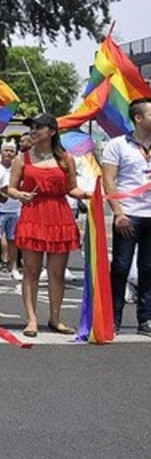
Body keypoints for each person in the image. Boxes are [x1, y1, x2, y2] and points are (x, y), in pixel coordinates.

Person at [8, 113, 87, 337]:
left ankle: (55, 318)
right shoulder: (22, 158)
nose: (33, 130)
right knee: (31, 271)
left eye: (39, 127)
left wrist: (89, 195)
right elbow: (11, 188)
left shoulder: (65, 158)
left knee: (57, 273)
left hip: (59, 215)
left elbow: (72, 188)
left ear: (52, 132)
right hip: (33, 214)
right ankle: (31, 319)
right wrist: (19, 194)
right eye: (32, 127)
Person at [98, 97, 151, 337]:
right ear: (138, 118)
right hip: (128, 214)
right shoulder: (118, 144)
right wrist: (118, 213)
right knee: (120, 267)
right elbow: (109, 179)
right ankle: (113, 319)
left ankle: (146, 319)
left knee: (148, 268)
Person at [0, 139, 22, 280]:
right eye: (6, 150)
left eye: (12, 151)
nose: (8, 153)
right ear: (1, 152)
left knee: (13, 239)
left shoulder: (17, 167)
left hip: (15, 208)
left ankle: (13, 267)